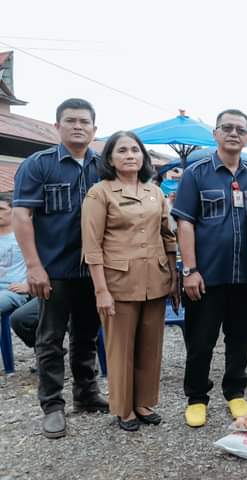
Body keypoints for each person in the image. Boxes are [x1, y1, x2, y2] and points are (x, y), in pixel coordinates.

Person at [12, 98, 107, 439]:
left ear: (95, 129)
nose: (78, 126)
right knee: (49, 339)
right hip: (54, 269)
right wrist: (34, 266)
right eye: (70, 120)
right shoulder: (39, 165)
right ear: (57, 126)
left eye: (84, 121)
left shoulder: (103, 166)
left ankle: (86, 394)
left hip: (93, 270)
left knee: (86, 336)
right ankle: (52, 406)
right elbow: (22, 216)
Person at [81, 131, 179, 431]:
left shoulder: (155, 192)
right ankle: (124, 409)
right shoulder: (100, 193)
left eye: (135, 150)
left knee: (151, 345)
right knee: (120, 347)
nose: (130, 155)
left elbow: (167, 235)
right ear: (110, 158)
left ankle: (144, 403)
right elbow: (92, 246)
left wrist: (174, 277)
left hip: (156, 278)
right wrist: (101, 290)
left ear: (144, 157)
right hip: (118, 282)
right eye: (122, 150)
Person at [172, 109, 247, 427]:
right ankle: (196, 397)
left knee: (239, 338)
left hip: (245, 276)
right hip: (206, 275)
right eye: (227, 128)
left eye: (240, 129)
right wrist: (190, 270)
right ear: (216, 133)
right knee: (201, 340)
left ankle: (235, 391)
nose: (234, 133)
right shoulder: (196, 174)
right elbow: (185, 223)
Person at [0, 191, 29, 316]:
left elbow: (42, 264)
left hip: (13, 290)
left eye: (1, 209)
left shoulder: (25, 237)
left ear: (13, 211)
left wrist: (28, 286)